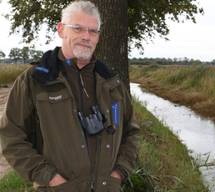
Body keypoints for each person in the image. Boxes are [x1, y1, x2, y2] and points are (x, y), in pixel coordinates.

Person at [0, 1, 139, 192]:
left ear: (98, 37)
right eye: (78, 28)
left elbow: (132, 133)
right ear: (61, 30)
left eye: (93, 31)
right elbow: (11, 136)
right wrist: (49, 178)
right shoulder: (35, 80)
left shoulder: (112, 83)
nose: (86, 37)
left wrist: (120, 172)